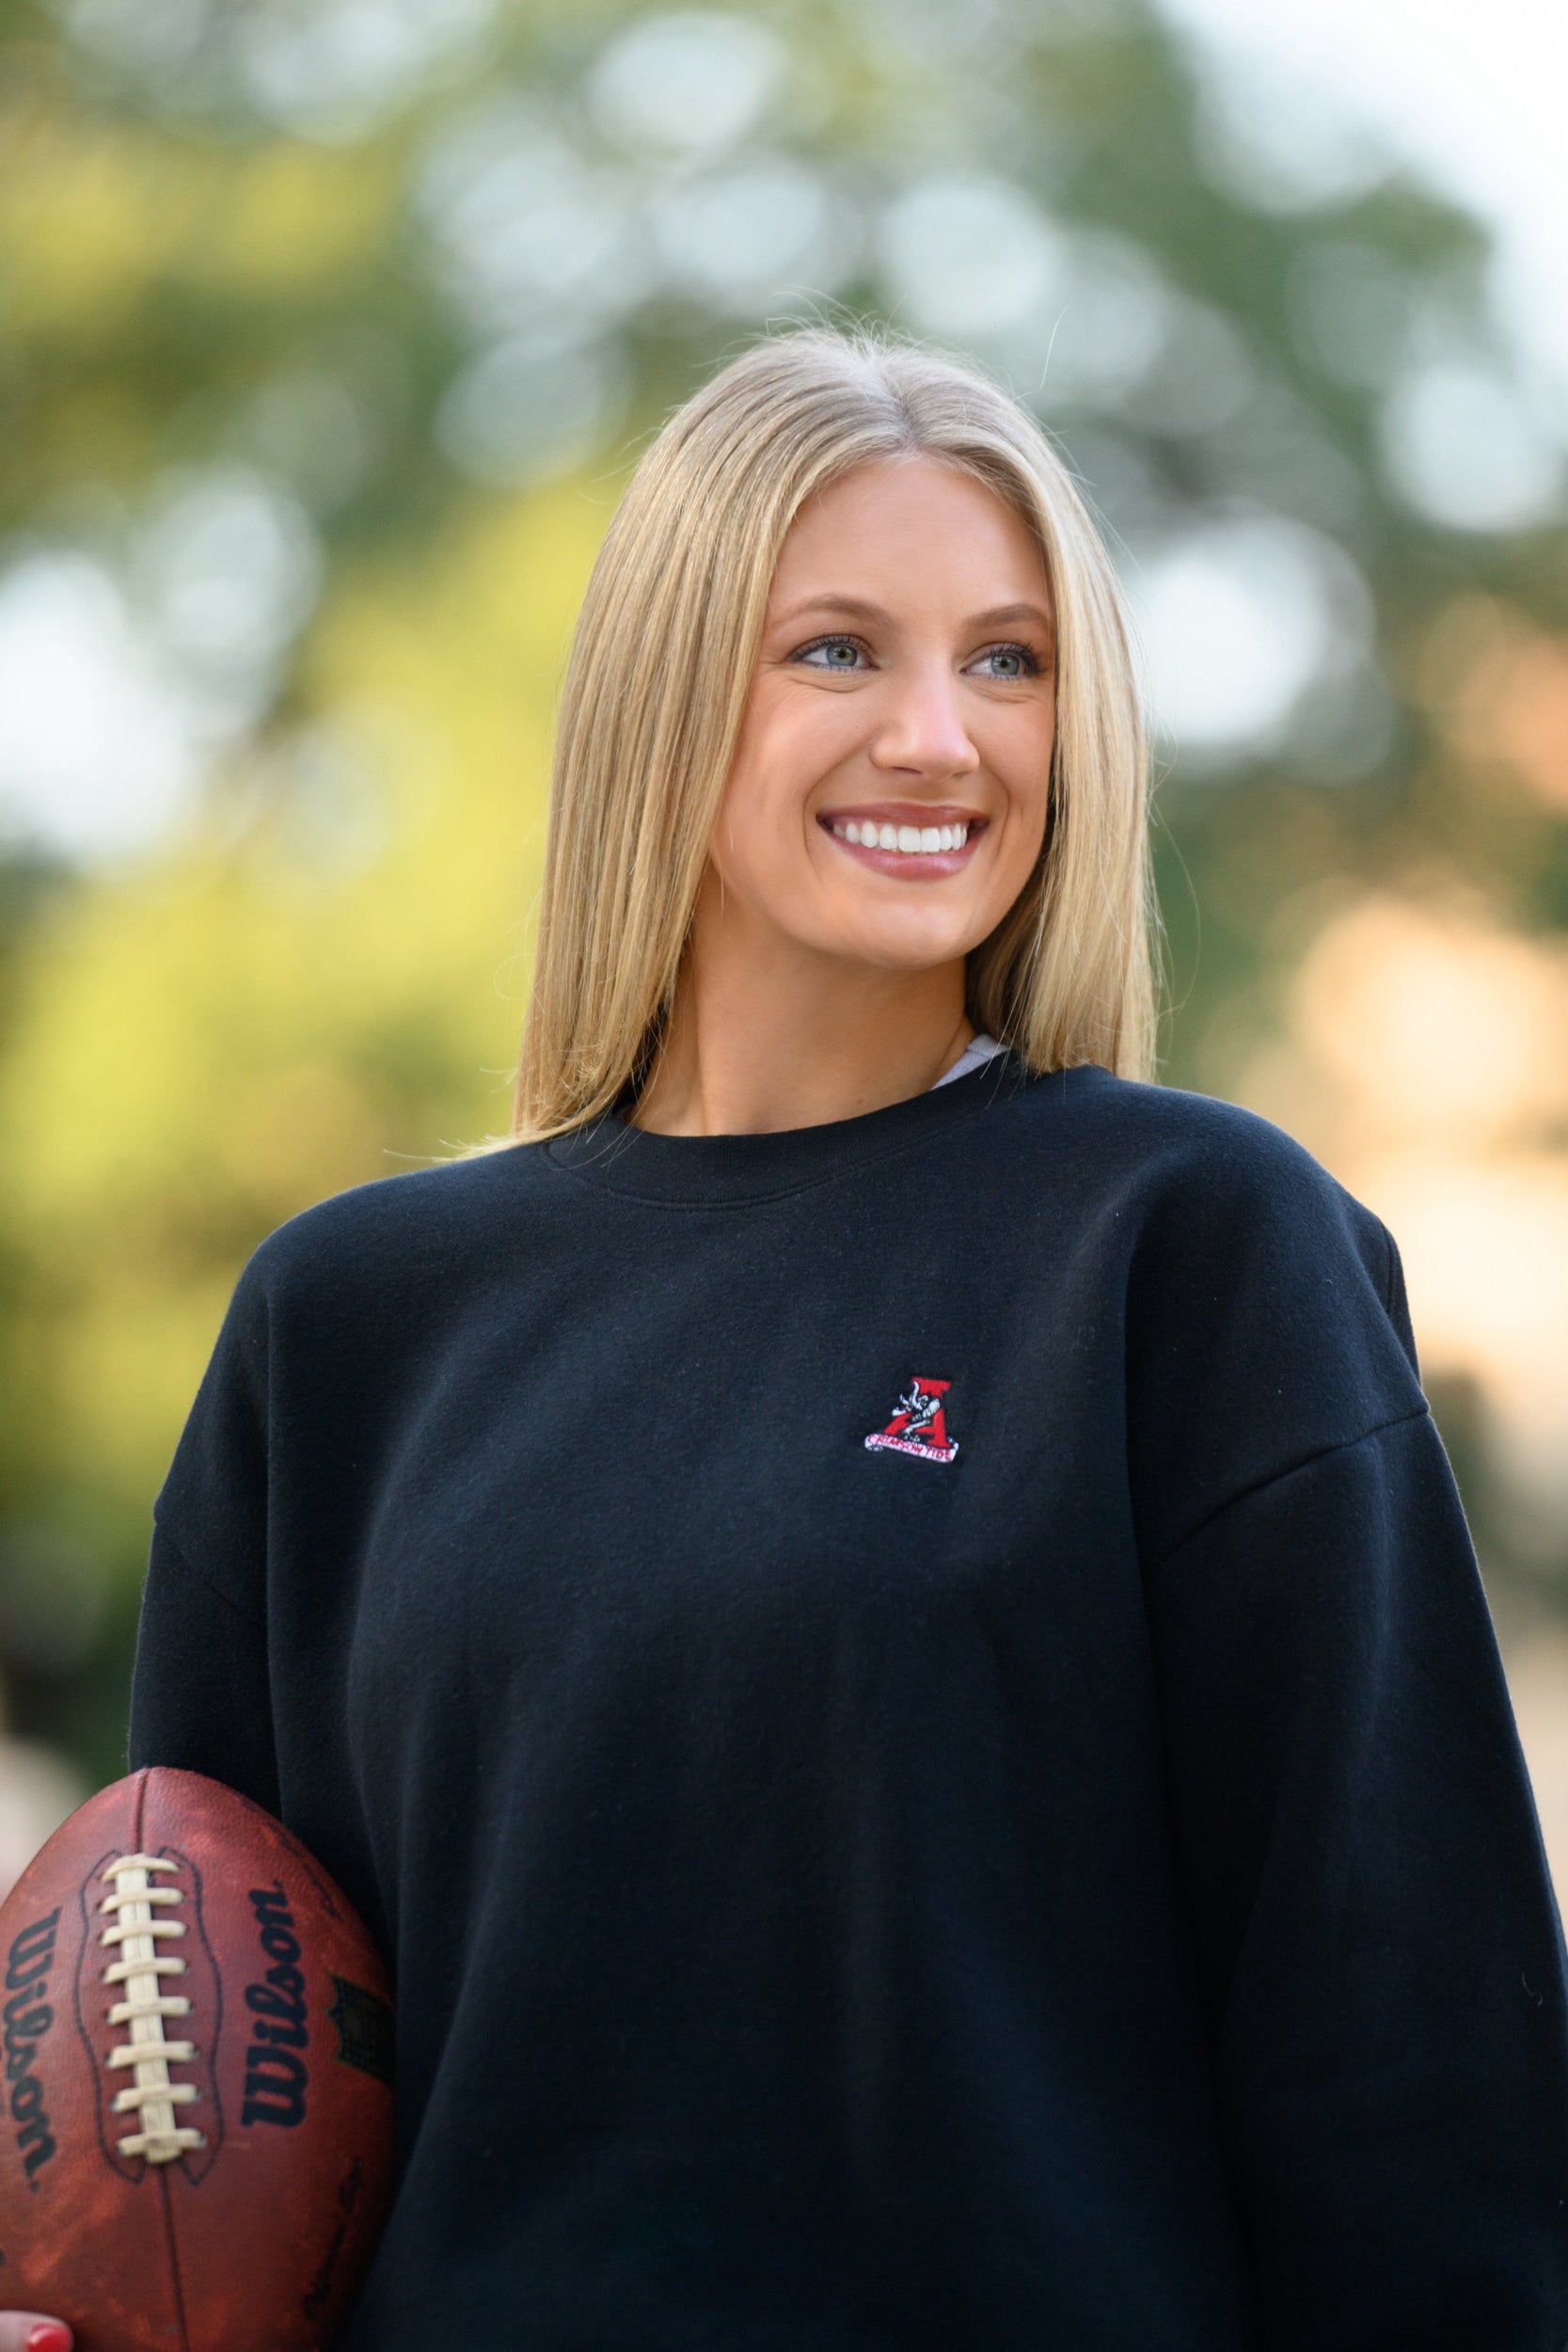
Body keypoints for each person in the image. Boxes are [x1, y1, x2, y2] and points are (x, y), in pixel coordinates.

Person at [15, 326, 1566, 2352]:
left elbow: (1421, 2093)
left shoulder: (1187, 1248)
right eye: (839, 650)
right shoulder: (348, 1326)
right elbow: (203, 2079)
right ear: (666, 700)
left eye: (1011, 662)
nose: (943, 735)